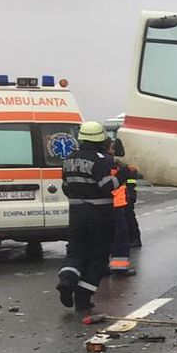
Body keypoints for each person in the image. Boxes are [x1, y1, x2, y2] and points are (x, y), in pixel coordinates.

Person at [55, 121, 123, 312]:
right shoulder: (102, 159)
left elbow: (66, 187)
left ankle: (67, 281)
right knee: (98, 257)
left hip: (76, 215)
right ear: (101, 139)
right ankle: (83, 298)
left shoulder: (69, 159)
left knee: (76, 252)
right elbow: (107, 185)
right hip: (100, 216)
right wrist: (124, 174)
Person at [108, 160, 137, 276]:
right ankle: (119, 267)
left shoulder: (99, 162)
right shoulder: (109, 163)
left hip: (105, 205)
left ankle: (101, 266)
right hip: (116, 204)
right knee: (120, 235)